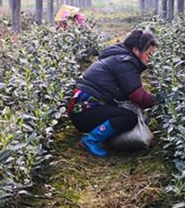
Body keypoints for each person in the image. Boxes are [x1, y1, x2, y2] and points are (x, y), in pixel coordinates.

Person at [68, 29, 158, 157]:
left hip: (80, 108)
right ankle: (90, 140)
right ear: (136, 50)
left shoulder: (118, 57)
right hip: (84, 111)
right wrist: (158, 100)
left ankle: (101, 135)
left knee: (124, 113)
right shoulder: (125, 62)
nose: (148, 59)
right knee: (128, 117)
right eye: (148, 54)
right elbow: (137, 96)